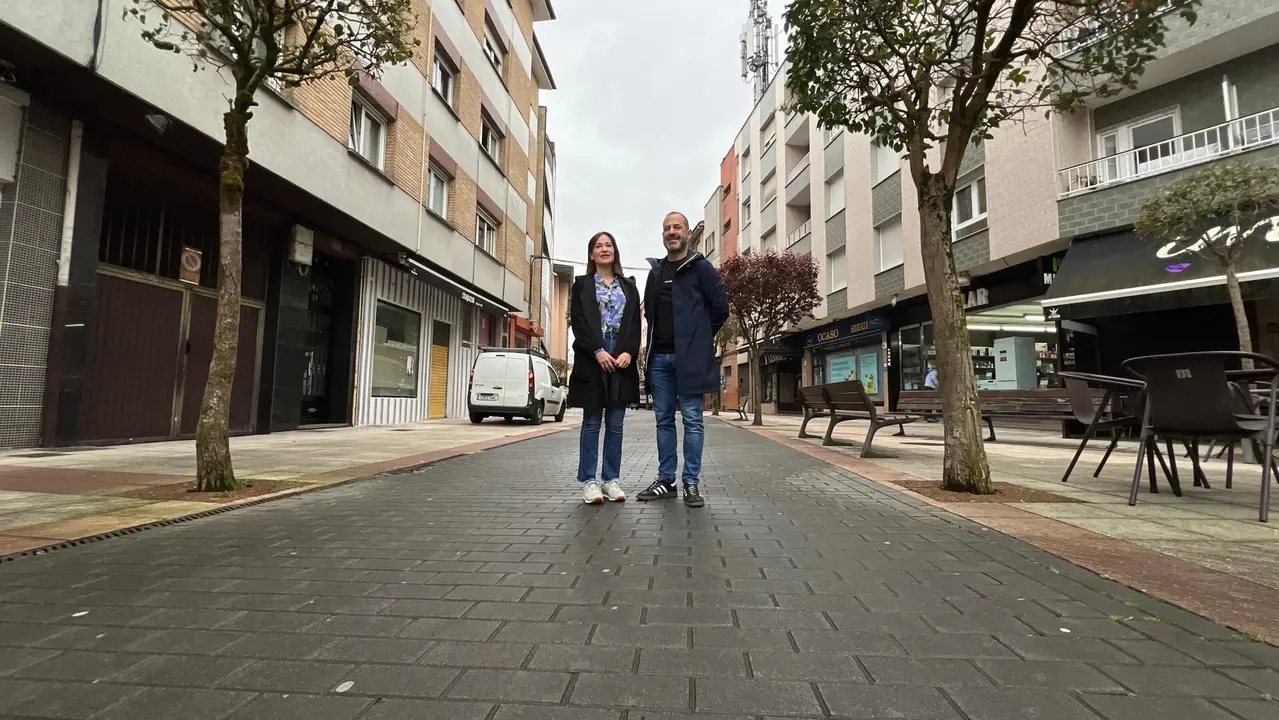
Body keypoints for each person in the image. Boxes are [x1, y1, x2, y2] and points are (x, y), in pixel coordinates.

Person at [637, 211, 729, 508]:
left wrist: (698, 339)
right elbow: (649, 314)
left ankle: (691, 482)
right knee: (663, 420)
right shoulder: (655, 273)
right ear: (662, 235)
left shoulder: (702, 268)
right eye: (667, 228)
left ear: (687, 234)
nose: (671, 232)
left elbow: (720, 308)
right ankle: (667, 480)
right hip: (660, 360)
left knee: (692, 420)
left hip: (690, 359)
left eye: (677, 227)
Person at [567, 231, 642, 504]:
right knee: (591, 422)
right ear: (591, 254)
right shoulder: (582, 285)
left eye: (608, 245)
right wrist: (597, 350)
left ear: (615, 251)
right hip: (592, 357)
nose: (604, 249)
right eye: (598, 246)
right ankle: (589, 481)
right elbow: (578, 322)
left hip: (621, 357)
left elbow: (635, 323)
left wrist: (629, 352)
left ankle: (611, 480)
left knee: (616, 423)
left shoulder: (629, 286)